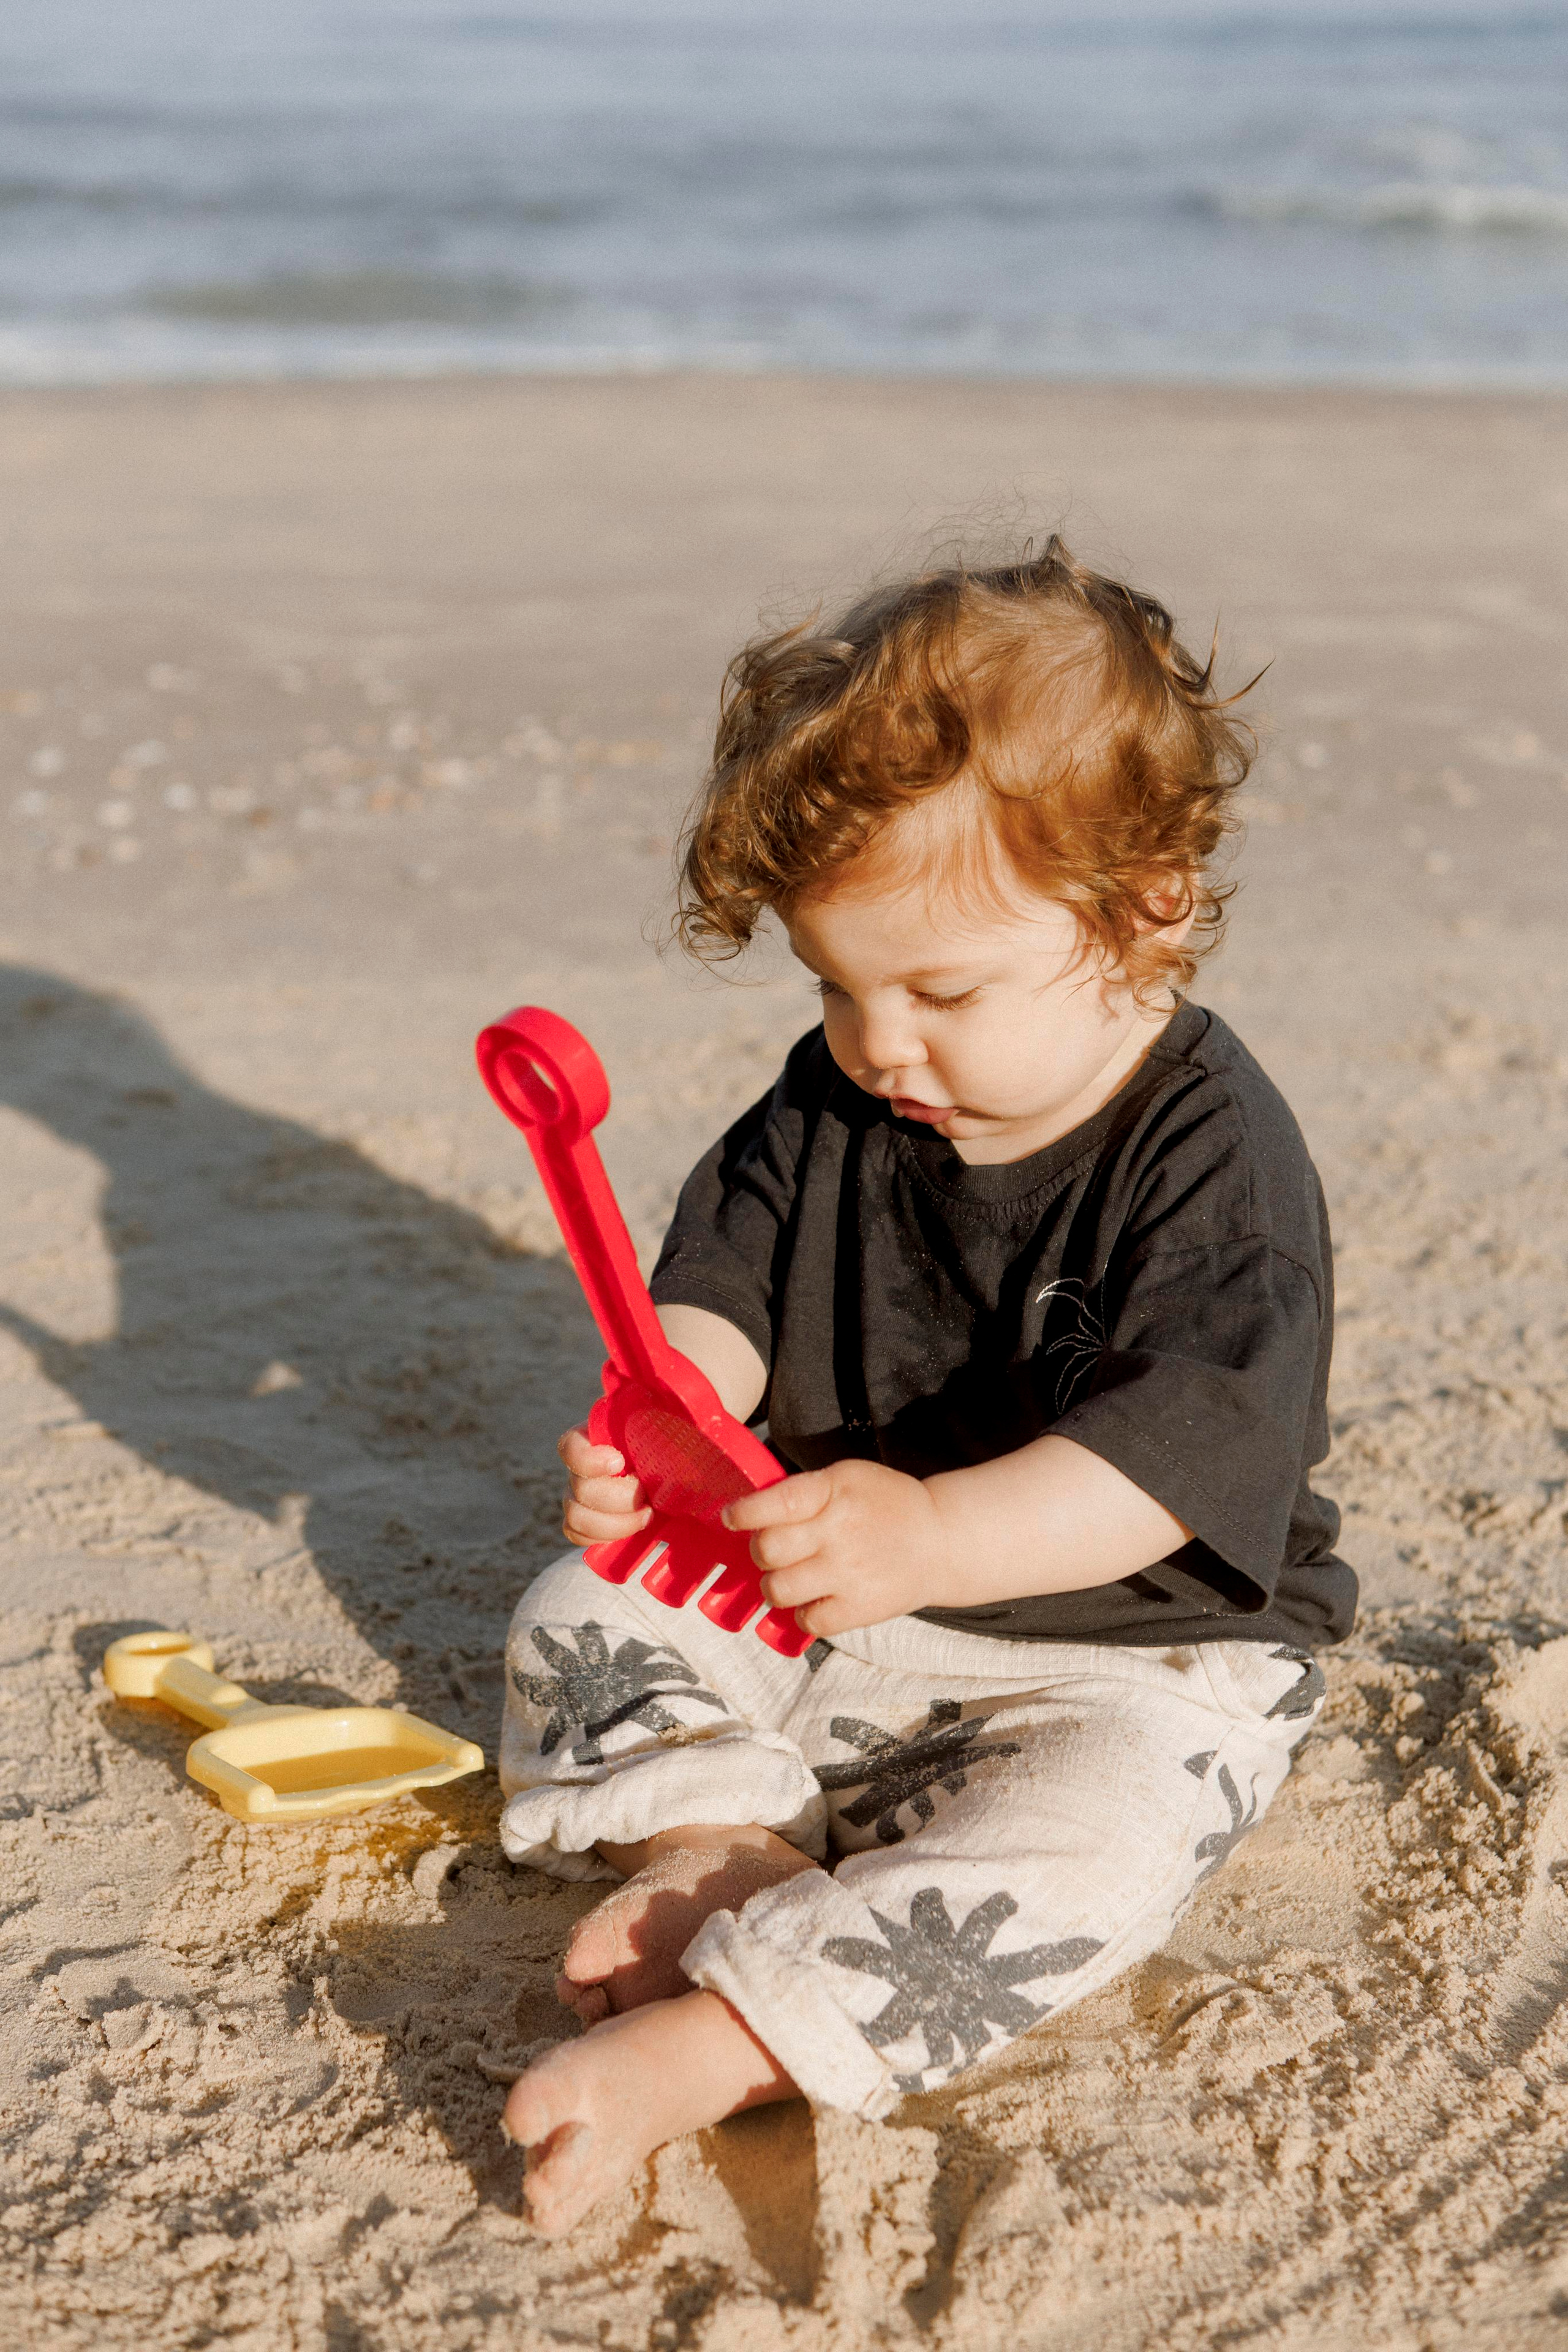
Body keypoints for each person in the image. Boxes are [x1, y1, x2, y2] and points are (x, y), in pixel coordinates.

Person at [496, 538, 1354, 2236]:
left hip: (1123, 1655)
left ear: (1144, 912)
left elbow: (1173, 1457)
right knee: (579, 1609)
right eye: (835, 982)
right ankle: (717, 1842)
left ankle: (735, 2034)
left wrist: (940, 1539)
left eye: (941, 990)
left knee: (1093, 1854)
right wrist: (657, 1422)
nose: (880, 1044)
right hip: (831, 1588)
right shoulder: (842, 1092)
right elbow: (717, 1293)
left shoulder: (1215, 1169)